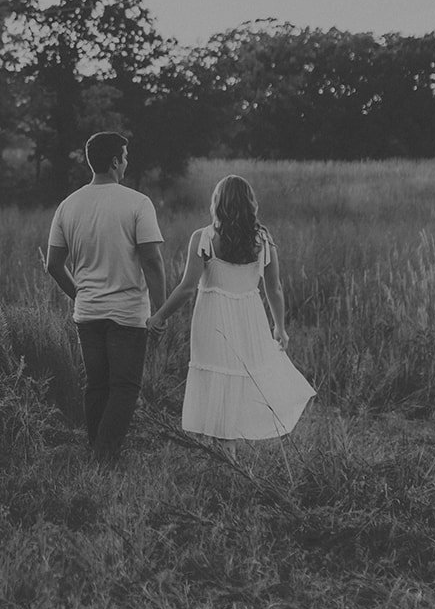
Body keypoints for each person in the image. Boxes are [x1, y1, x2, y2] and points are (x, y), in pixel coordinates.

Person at [149, 174, 314, 452]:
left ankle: (226, 453)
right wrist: (279, 327)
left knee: (219, 377)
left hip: (213, 318)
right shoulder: (263, 238)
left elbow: (188, 288)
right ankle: (227, 451)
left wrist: (159, 316)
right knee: (238, 376)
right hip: (249, 317)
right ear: (250, 204)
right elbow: (275, 288)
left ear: (217, 203)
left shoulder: (203, 238)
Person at [46, 131, 166, 462]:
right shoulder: (137, 203)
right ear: (115, 162)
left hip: (88, 313)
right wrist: (161, 311)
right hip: (127, 313)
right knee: (124, 387)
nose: (127, 163)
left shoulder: (68, 205)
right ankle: (104, 455)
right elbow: (152, 261)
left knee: (97, 386)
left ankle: (95, 450)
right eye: (125, 158)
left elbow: (53, 265)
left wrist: (79, 295)